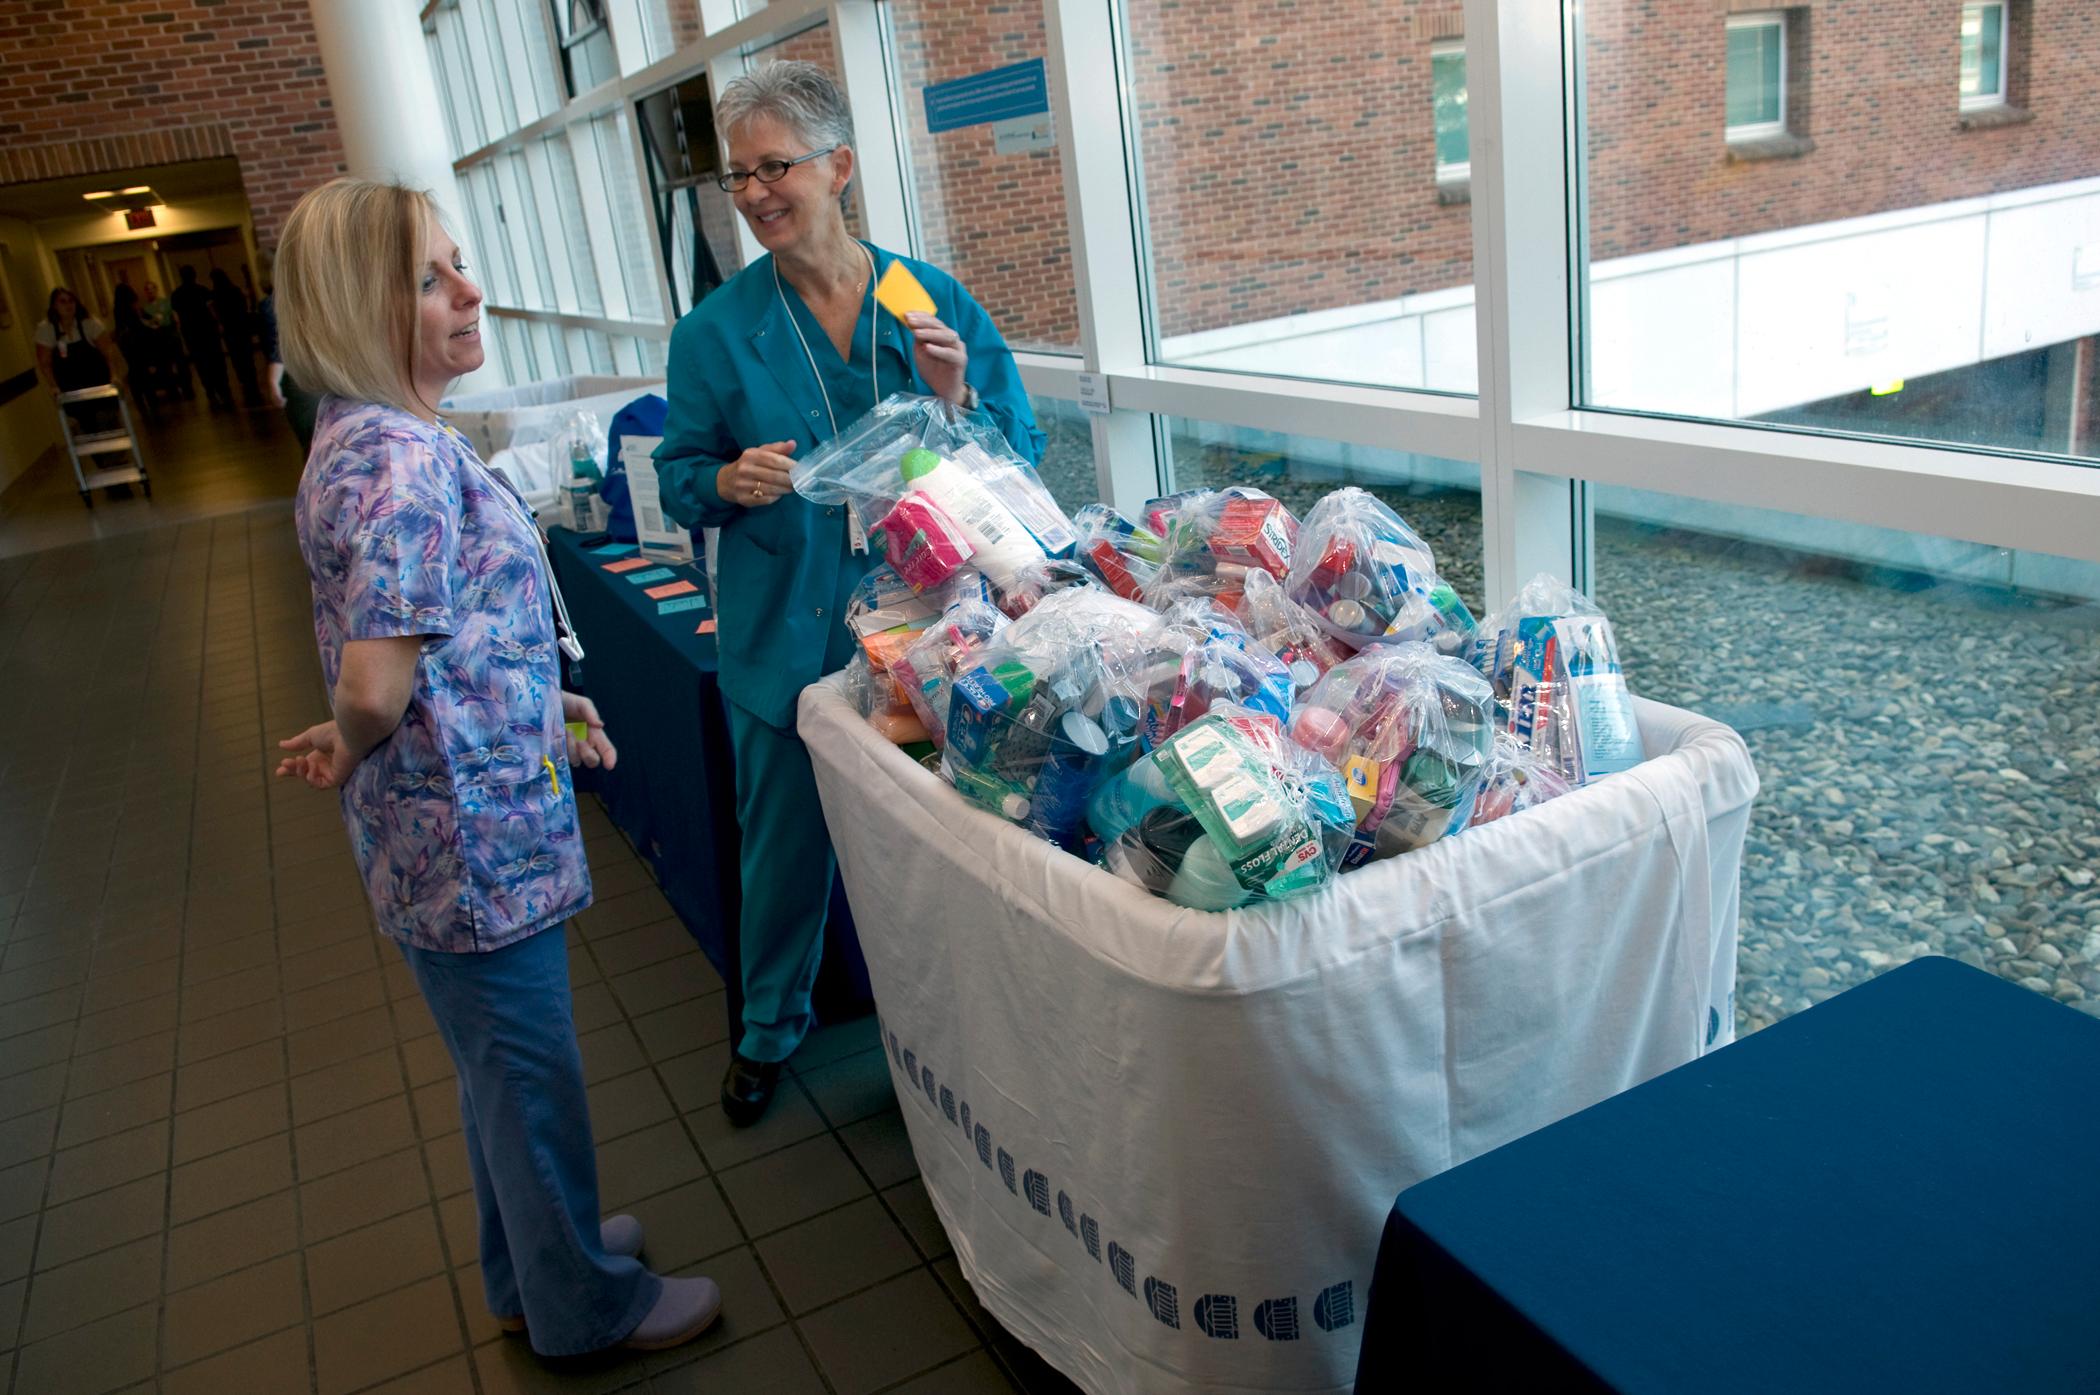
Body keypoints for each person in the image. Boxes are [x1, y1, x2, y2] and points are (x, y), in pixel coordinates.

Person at [271, 177, 722, 1358]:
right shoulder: (400, 461)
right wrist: (355, 728)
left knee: (494, 1076)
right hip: (473, 849)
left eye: (458, 263)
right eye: (429, 279)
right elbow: (379, 682)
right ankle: (584, 1305)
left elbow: (439, 642)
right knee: (530, 1080)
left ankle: (530, 1264)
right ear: (358, 307)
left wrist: (538, 705)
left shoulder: (363, 436)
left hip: (439, 829)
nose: (469, 293)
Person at [654, 61, 1043, 1125]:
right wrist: (724, 481)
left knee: (944, 843)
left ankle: (959, 1025)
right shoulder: (715, 332)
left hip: (931, 630)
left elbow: (1018, 452)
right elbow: (679, 474)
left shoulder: (928, 300)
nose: (754, 193)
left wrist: (956, 398)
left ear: (840, 167)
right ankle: (767, 1031)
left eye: (774, 167)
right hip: (787, 632)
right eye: (738, 175)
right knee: (782, 848)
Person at [34, 287, 126, 433]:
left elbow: (108, 351)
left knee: (107, 421)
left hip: (98, 382)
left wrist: (114, 374)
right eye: (62, 302)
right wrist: (53, 386)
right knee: (86, 427)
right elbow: (45, 363)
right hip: (71, 388)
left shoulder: (89, 323)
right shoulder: (46, 329)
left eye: (71, 301)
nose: (68, 305)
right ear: (54, 306)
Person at [171, 265, 232, 408]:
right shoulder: (203, 290)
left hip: (191, 334)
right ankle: (224, 391)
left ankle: (210, 392)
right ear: (194, 275)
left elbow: (177, 315)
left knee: (201, 364)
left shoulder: (177, 295)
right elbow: (212, 310)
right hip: (208, 331)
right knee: (216, 362)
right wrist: (219, 324)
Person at [211, 266, 262, 405]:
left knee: (237, 360)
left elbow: (217, 315)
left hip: (230, 331)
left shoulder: (216, 295)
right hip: (241, 328)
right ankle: (253, 384)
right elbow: (244, 307)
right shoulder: (235, 291)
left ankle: (245, 382)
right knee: (248, 358)